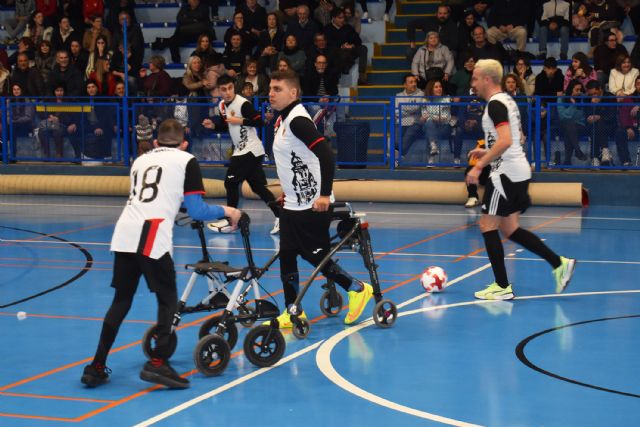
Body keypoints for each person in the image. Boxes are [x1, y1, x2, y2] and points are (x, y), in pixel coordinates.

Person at [80, 118, 242, 389]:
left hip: (124, 232)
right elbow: (197, 210)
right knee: (167, 300)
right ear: (185, 143)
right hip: (151, 233)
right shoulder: (186, 159)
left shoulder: (141, 160)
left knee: (121, 300)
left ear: (156, 143)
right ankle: (157, 364)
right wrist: (229, 210)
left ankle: (96, 365)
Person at [267, 70, 374, 327]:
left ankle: (357, 288)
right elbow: (295, 161)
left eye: (277, 89)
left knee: (315, 256)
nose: (270, 93)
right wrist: (287, 192)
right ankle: (293, 311)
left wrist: (325, 194)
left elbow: (326, 155)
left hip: (313, 203)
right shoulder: (283, 121)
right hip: (294, 202)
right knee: (287, 255)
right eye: (270, 88)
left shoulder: (297, 120)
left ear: (293, 93)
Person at [466, 59, 576, 300]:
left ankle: (502, 286)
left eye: (475, 78)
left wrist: (479, 167)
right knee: (510, 228)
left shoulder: (495, 104)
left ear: (486, 79)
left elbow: (505, 140)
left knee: (487, 226)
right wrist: (487, 151)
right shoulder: (506, 100)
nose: (472, 83)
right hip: (518, 171)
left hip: (504, 173)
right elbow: (515, 138)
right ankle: (559, 263)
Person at [202, 75, 281, 234]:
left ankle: (231, 220)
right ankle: (282, 216)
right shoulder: (222, 105)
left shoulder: (243, 104)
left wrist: (241, 121)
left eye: (230, 88)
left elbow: (260, 122)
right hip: (242, 150)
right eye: (223, 90)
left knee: (230, 183)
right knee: (257, 187)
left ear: (234, 87)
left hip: (250, 150)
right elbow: (227, 126)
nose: (228, 92)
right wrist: (214, 127)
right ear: (219, 91)